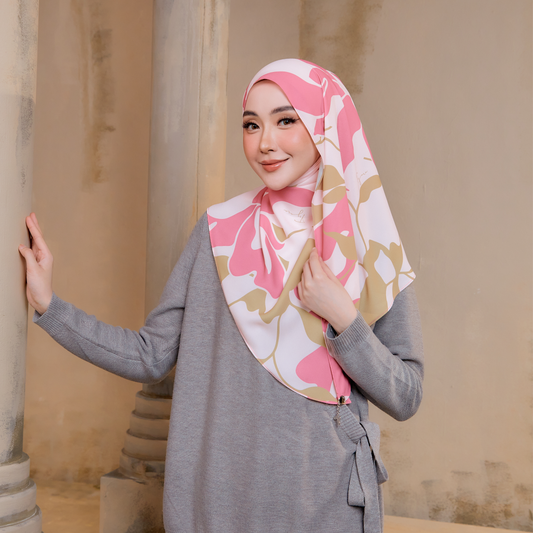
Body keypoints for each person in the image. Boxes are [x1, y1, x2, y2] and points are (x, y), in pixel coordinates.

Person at [19, 59, 423, 533]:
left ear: (326, 125)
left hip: (326, 503)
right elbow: (150, 355)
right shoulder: (218, 232)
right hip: (222, 499)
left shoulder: (371, 243)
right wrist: (50, 305)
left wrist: (345, 320)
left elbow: (406, 394)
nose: (264, 142)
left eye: (286, 120)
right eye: (251, 124)